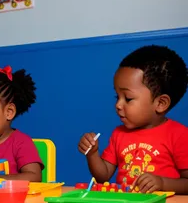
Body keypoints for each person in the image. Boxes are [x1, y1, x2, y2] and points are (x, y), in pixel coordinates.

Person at [78, 45, 188, 194]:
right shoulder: (119, 134)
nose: (118, 105)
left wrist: (162, 183)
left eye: (128, 98)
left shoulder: (179, 135)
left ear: (160, 103)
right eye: (117, 97)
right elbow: (102, 177)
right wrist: (92, 154)